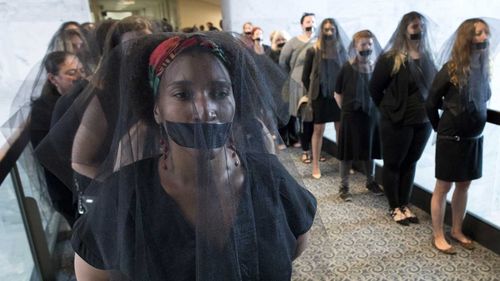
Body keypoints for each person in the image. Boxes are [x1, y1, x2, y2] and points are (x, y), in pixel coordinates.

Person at [64, 33, 316, 280]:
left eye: (219, 92)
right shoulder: (124, 195)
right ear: (156, 109)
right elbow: (92, 273)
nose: (205, 111)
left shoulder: (272, 180)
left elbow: (293, 250)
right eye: (182, 94)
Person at [427, 18, 494, 254]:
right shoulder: (450, 69)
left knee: (464, 185)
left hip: (472, 140)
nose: (484, 37)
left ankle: (456, 229)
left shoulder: (482, 70)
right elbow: (431, 103)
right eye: (478, 33)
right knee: (443, 187)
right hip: (450, 139)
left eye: (486, 33)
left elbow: (483, 99)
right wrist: (440, 129)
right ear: (467, 38)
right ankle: (438, 235)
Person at [370, 11, 437, 225]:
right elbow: (374, 89)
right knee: (393, 164)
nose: (420, 30)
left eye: (422, 26)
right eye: (415, 26)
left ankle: (404, 204)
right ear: (405, 29)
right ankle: (394, 207)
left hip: (422, 121)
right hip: (396, 121)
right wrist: (389, 110)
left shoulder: (427, 56)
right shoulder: (391, 58)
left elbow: (435, 86)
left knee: (411, 162)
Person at [30, 51, 86, 226]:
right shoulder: (43, 110)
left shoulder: (84, 97)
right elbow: (52, 154)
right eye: (71, 73)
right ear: (53, 79)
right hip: (66, 190)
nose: (79, 77)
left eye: (81, 71)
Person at [334, 30, 384, 201]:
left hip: (371, 116)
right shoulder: (346, 67)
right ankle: (344, 187)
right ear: (355, 46)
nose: (367, 47)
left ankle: (370, 181)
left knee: (370, 150)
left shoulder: (375, 67)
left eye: (369, 43)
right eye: (363, 44)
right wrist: (346, 110)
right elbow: (337, 93)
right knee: (347, 153)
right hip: (351, 116)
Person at [302, 18, 348, 179]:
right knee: (318, 130)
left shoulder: (342, 50)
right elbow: (305, 77)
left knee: (340, 130)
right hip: (320, 96)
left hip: (338, 96)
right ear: (321, 31)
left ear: (336, 30)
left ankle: (344, 163)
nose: (329, 32)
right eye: (326, 29)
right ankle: (315, 165)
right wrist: (312, 94)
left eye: (332, 29)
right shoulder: (313, 51)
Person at [279, 12, 316, 150]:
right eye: (308, 22)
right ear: (302, 25)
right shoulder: (293, 42)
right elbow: (283, 61)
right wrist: (292, 75)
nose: (311, 24)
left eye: (313, 21)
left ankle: (311, 144)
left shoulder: (318, 41)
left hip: (314, 82)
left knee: (312, 113)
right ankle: (301, 143)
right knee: (299, 113)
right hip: (297, 81)